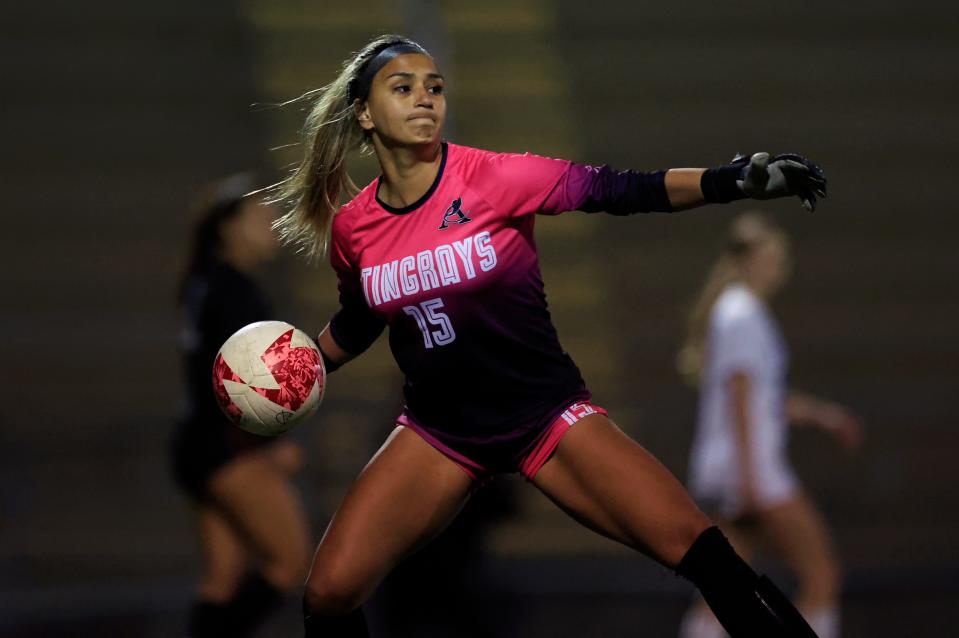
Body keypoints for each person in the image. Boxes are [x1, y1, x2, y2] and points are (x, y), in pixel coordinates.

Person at [272, 34, 829, 638]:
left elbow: (626, 189)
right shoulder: (354, 229)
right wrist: (294, 371)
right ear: (363, 112)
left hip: (546, 416)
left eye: (434, 86)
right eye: (402, 88)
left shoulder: (497, 177)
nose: (425, 99)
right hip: (440, 433)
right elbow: (360, 320)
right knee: (328, 593)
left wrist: (734, 180)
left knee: (703, 553)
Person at [677, 213, 864, 638]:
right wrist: (747, 479)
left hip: (739, 469)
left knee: (720, 590)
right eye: (768, 259)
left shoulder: (738, 313)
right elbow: (741, 399)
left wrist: (823, 416)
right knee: (822, 571)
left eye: (779, 260)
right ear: (745, 261)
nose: (776, 270)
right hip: (755, 471)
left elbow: (765, 399)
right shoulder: (741, 314)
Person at [171, 174, 310, 637]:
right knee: (290, 560)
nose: (273, 225)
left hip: (194, 445)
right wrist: (268, 442)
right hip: (224, 445)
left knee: (223, 577)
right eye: (261, 217)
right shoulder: (234, 291)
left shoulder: (203, 283)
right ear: (228, 226)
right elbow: (239, 381)